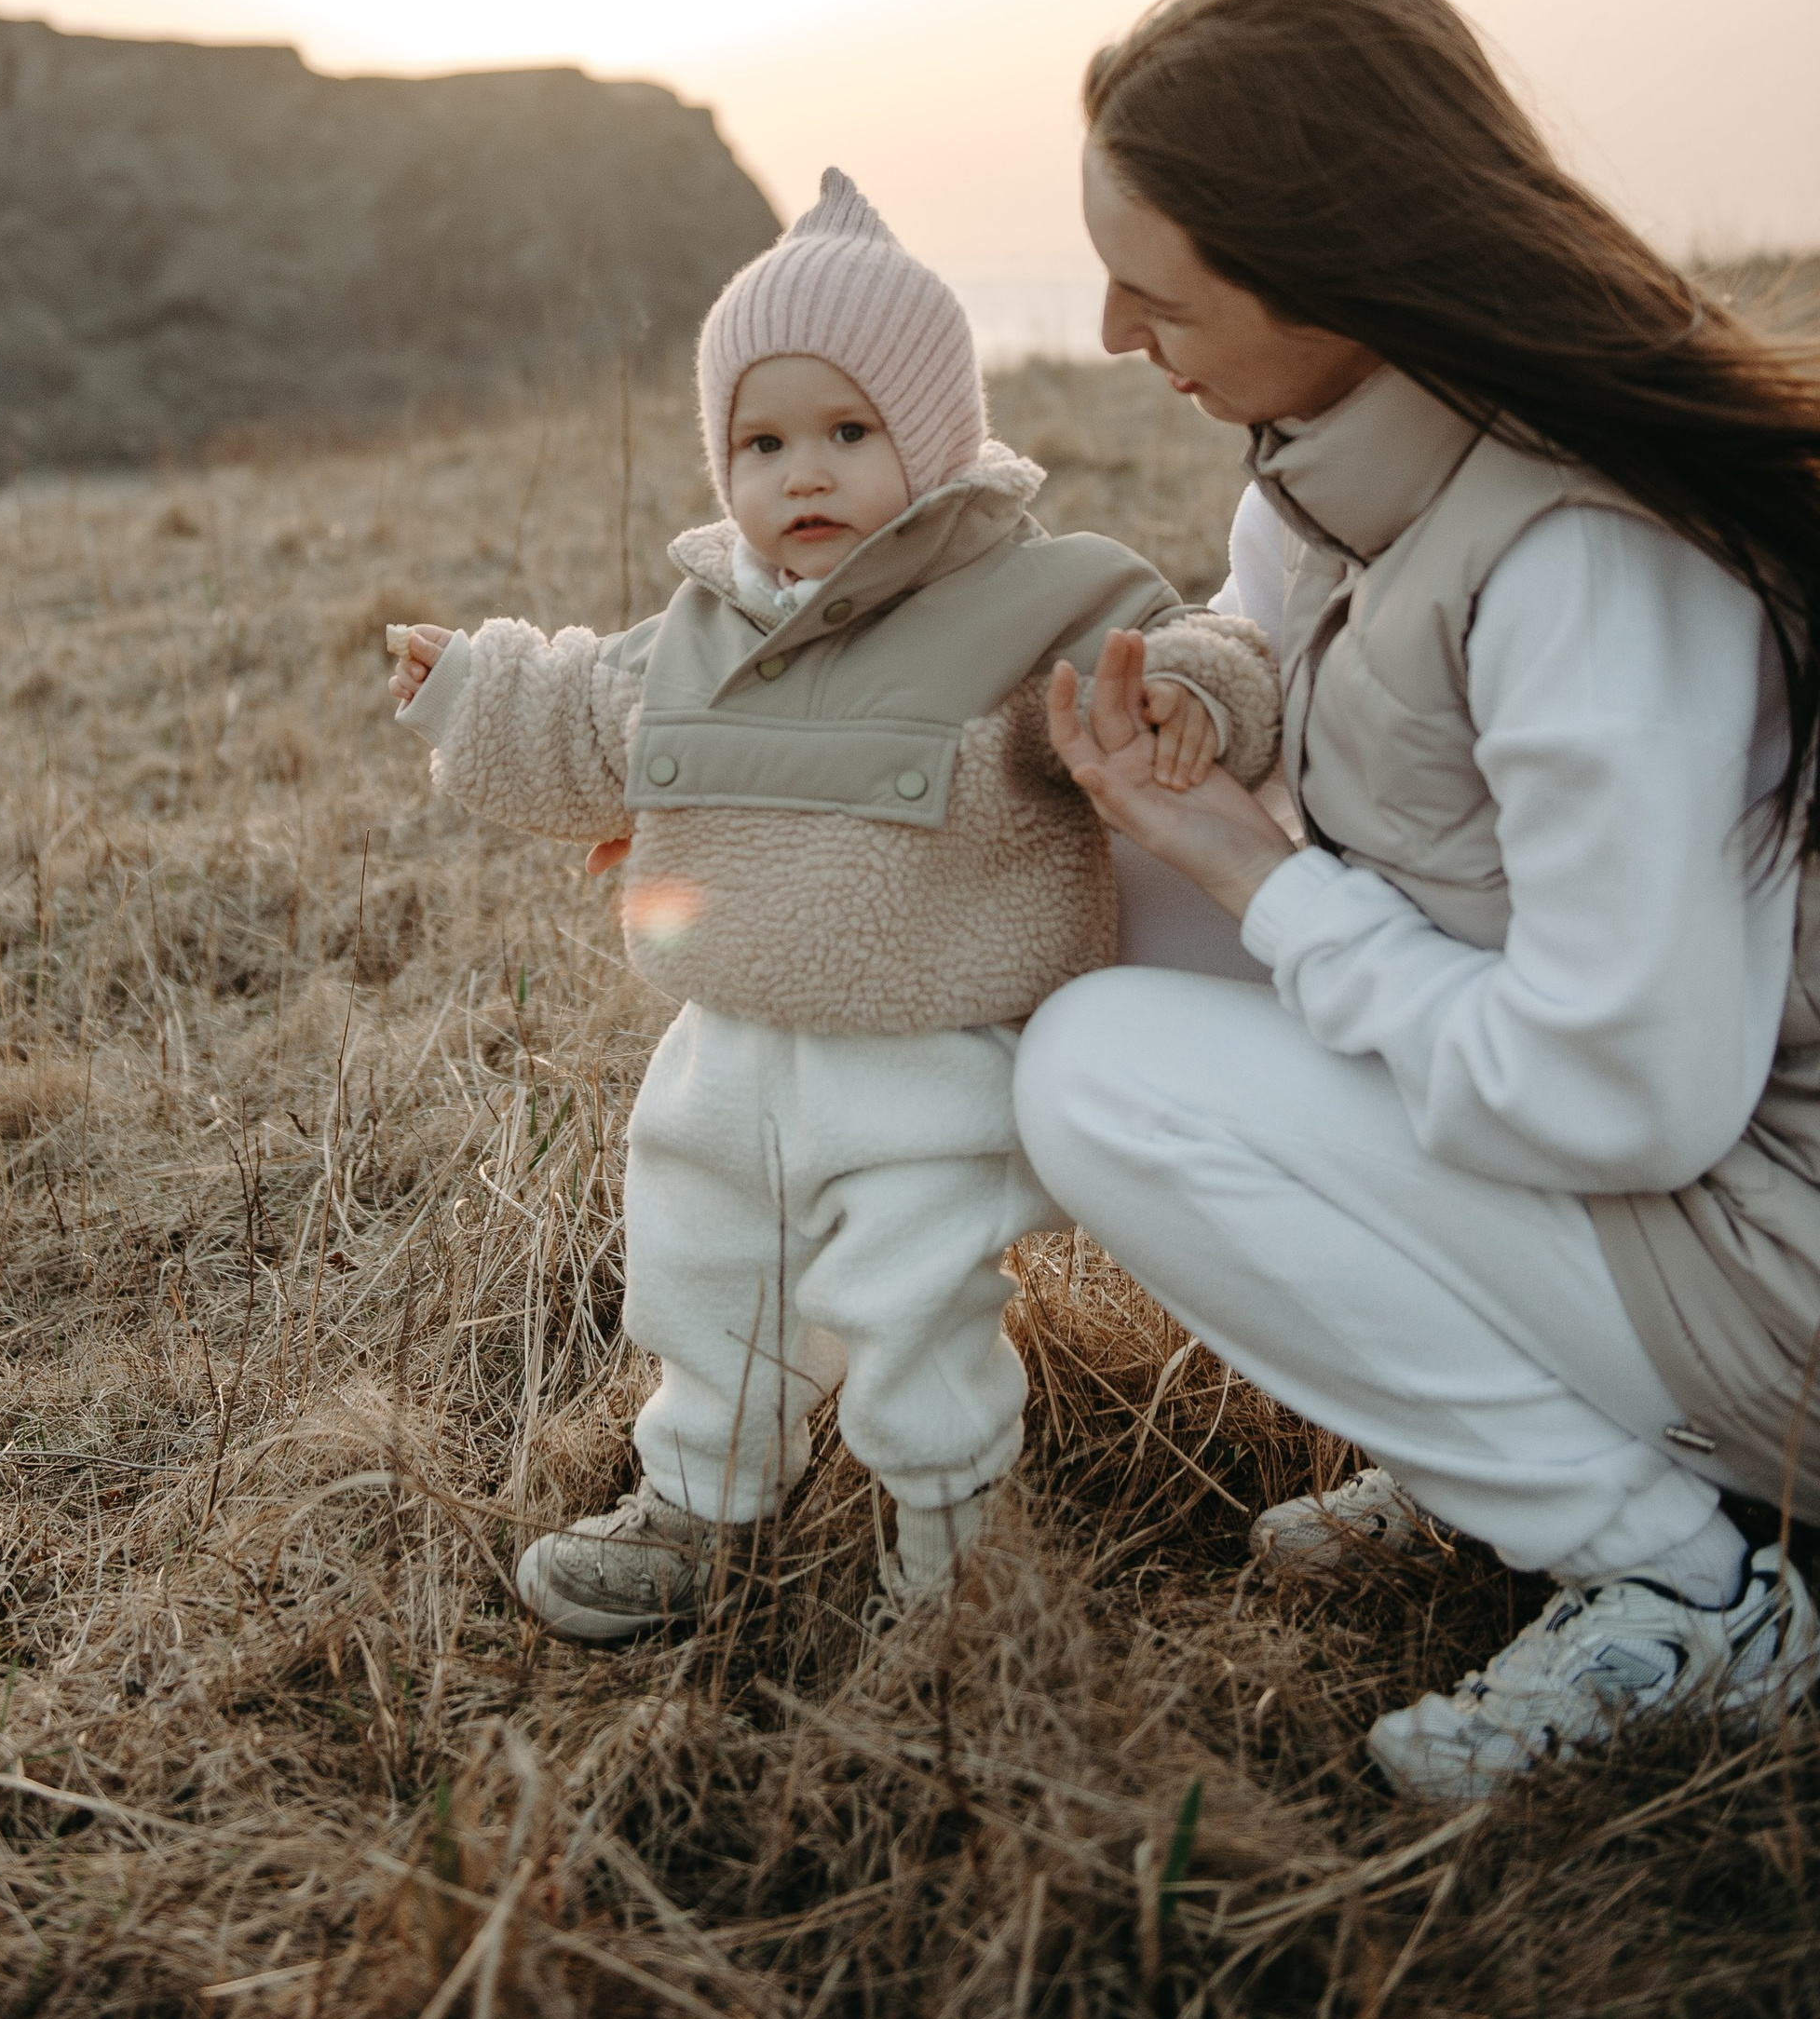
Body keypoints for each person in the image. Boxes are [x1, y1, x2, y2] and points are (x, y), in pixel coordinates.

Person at [1016, 0, 1820, 1801]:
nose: (1118, 334)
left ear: (1326, 268)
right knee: (1065, 900)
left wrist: (1266, 883)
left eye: (1154, 291)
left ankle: (1684, 1579)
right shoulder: (1324, 452)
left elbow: (1618, 1088)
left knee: (1099, 1068)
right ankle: (1510, 1429)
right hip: (1658, 1174)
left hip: (1770, 1252)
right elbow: (1255, 635)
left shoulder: (1587, 561)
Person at [387, 169, 1279, 1640]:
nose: (804, 474)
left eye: (849, 434)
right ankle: (699, 1499)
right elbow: (583, 719)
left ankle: (952, 1544)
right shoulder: (702, 628)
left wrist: (1191, 701)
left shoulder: (1038, 599)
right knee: (700, 1263)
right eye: (764, 441)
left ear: (928, 439)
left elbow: (1202, 649)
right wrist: (474, 688)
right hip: (729, 1040)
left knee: (914, 1300)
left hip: (930, 1042)